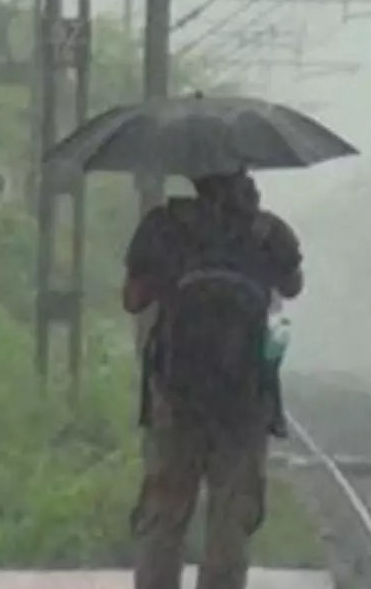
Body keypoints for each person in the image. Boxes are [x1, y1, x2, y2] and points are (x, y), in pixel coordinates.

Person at [122, 170, 304, 589]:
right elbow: (293, 286)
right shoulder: (268, 231)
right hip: (245, 398)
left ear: (195, 178)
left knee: (164, 513)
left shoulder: (164, 226)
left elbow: (132, 299)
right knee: (231, 517)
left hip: (176, 393)